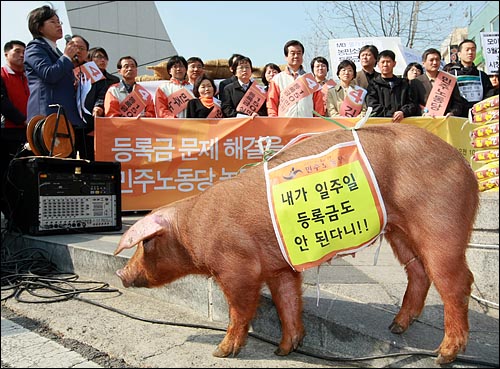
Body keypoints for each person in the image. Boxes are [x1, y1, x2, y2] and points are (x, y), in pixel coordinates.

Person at [23, 4, 86, 156]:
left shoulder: (56, 51)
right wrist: (66, 57)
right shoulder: (34, 48)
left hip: (64, 116)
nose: (58, 25)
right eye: (53, 22)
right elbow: (49, 74)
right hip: (47, 115)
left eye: (59, 22)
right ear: (39, 27)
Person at [1, 40, 30, 217]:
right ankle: (10, 214)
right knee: (6, 175)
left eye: (23, 52)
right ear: (6, 54)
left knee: (25, 175)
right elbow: (3, 103)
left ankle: (23, 213)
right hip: (7, 133)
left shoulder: (28, 76)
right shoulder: (2, 74)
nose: (21, 55)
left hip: (29, 134)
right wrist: (22, 120)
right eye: (17, 51)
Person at [267, 40, 323, 117]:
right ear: (286, 57)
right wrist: (274, 119)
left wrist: (318, 121)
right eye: (293, 53)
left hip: (307, 124)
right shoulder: (277, 79)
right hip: (285, 124)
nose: (296, 56)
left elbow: (318, 104)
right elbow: (271, 102)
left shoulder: (310, 79)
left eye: (299, 53)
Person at [409, 48, 463, 118]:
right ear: (423, 63)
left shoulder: (449, 80)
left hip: (445, 120)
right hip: (425, 121)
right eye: (431, 60)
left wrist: (453, 113)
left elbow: (458, 103)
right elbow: (413, 104)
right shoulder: (416, 82)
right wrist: (423, 113)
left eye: (437, 60)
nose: (434, 63)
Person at [365, 49, 417, 122]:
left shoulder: (403, 84)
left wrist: (403, 112)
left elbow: (412, 103)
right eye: (383, 62)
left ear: (394, 63)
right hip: (382, 124)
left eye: (388, 62)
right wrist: (390, 114)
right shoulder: (373, 84)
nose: (385, 64)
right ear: (378, 64)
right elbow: (372, 105)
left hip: (403, 123)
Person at [448, 39, 492, 117]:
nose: (470, 52)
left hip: (479, 116)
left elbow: (489, 95)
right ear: (459, 54)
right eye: (467, 50)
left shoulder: (482, 76)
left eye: (473, 50)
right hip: (458, 117)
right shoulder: (451, 75)